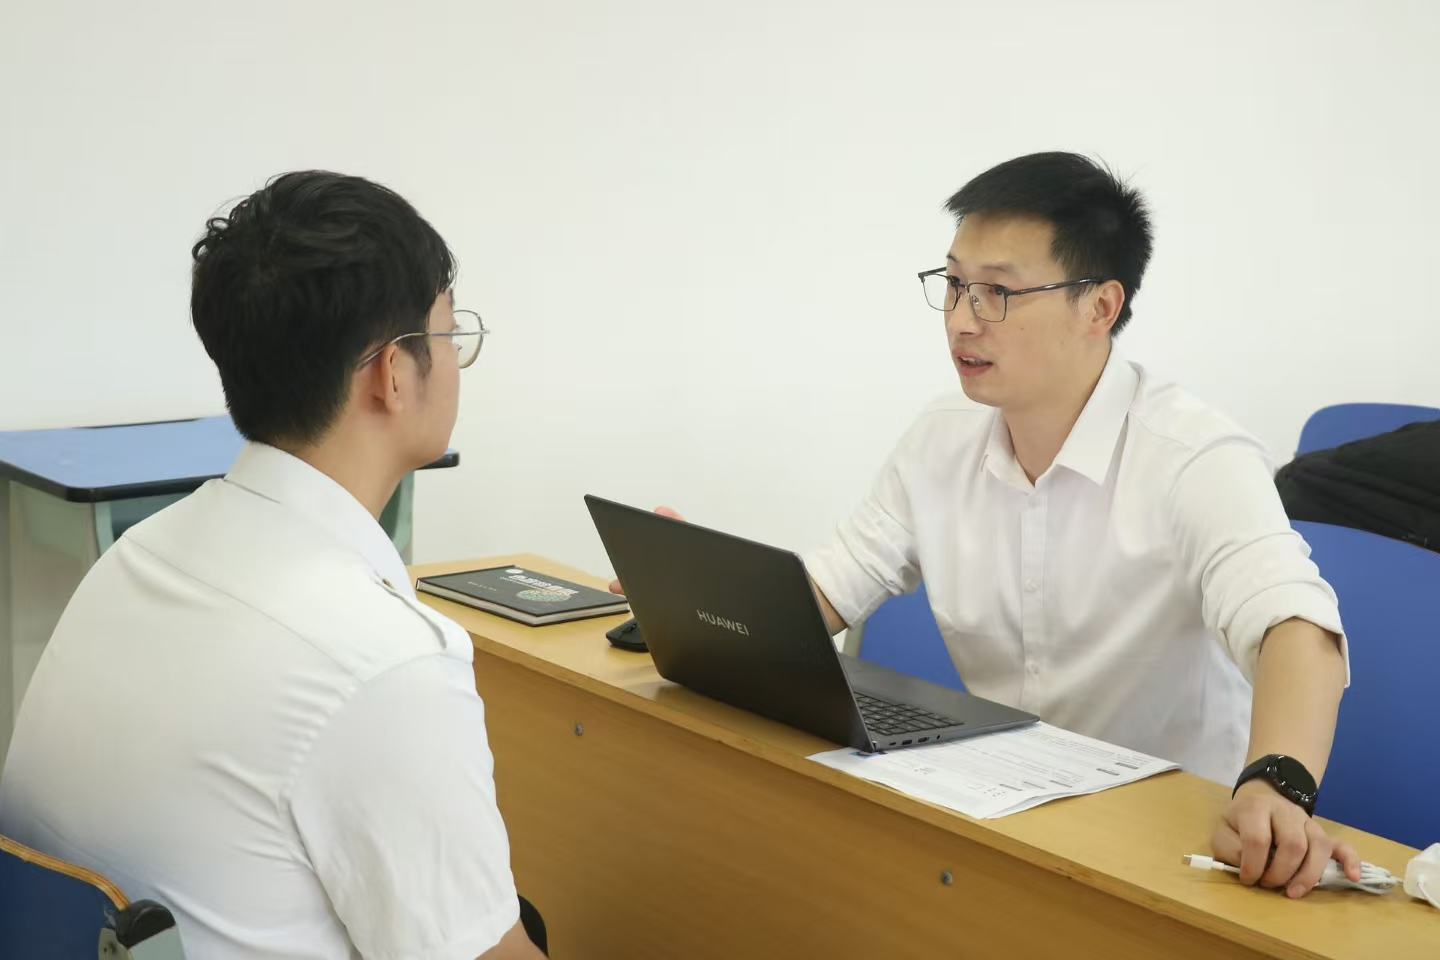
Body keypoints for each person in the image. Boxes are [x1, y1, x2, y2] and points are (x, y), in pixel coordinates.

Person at [629, 153, 1360, 899]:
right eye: (954, 286)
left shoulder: (1193, 456)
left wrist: (1277, 784)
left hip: (1162, 844)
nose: (960, 320)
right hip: (1003, 821)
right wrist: (701, 594)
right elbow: (832, 586)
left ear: (1100, 307)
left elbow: (1296, 627)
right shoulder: (942, 436)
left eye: (997, 294)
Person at [0, 171, 547, 958]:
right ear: (392, 375)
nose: (456, 361)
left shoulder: (137, 556)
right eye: (448, 335)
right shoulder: (382, 666)